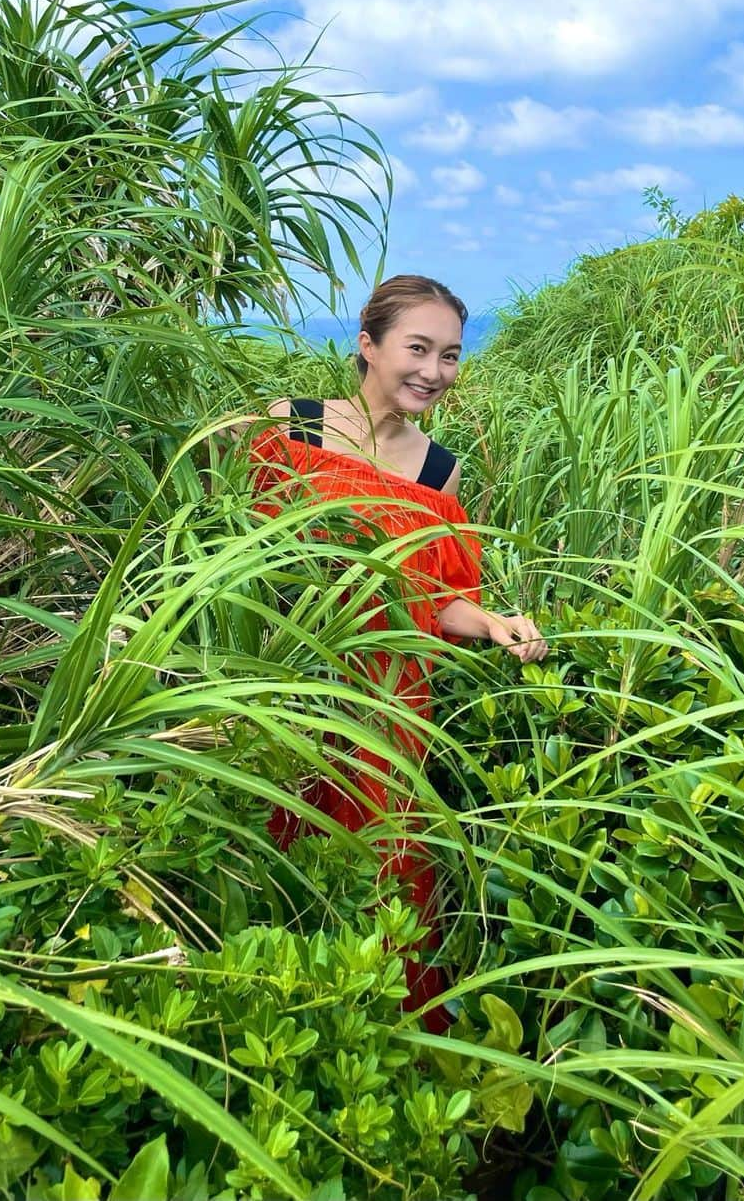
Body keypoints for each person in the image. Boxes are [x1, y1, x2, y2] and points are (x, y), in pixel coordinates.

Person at [248, 274, 547, 1029]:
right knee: (272, 849)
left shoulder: (439, 472)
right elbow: (233, 553)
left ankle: (372, 1040)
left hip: (391, 703)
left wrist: (495, 624)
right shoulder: (294, 430)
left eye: (449, 355)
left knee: (379, 870)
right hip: (289, 683)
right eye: (418, 348)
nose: (434, 371)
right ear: (368, 345)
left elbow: (439, 600)